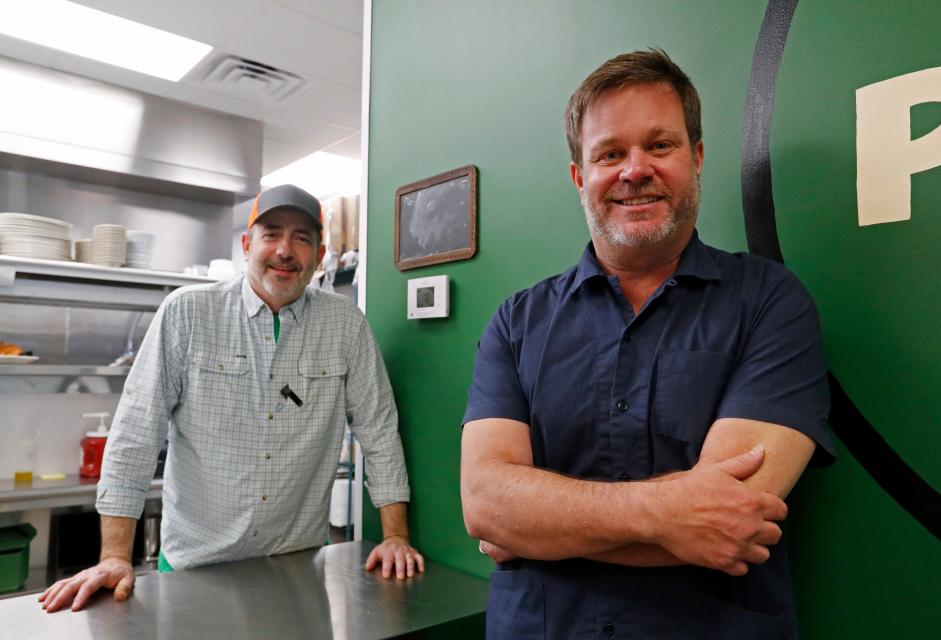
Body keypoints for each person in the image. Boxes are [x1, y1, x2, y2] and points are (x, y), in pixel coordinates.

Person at [460, 49, 834, 639]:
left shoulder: (770, 302)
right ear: (580, 177)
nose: (635, 170)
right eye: (609, 153)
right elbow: (485, 504)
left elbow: (732, 516)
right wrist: (669, 513)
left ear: (698, 158)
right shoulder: (517, 321)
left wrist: (537, 524)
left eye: (660, 146)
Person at [41, 184, 424, 613]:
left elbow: (379, 430)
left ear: (319, 257)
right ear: (247, 245)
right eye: (271, 233)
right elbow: (135, 434)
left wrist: (396, 537)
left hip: (296, 569)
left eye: (302, 238)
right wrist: (114, 556)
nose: (285, 249)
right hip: (195, 569)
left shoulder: (346, 325)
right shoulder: (186, 313)